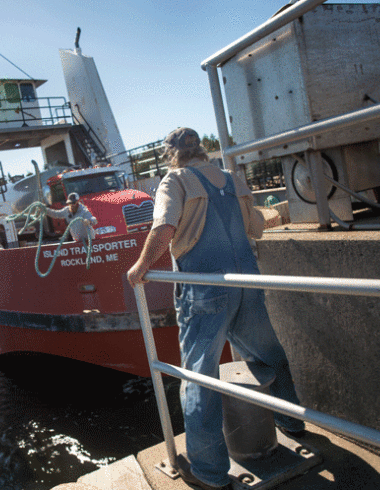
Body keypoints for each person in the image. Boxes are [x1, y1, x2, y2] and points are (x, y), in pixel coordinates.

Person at [127, 128, 305, 490]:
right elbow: (256, 227)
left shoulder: (174, 180)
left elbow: (164, 227)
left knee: (199, 378)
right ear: (203, 150)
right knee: (269, 353)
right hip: (247, 284)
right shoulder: (231, 178)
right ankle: (293, 421)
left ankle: (208, 471)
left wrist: (141, 266)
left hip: (204, 291)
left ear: (170, 154)